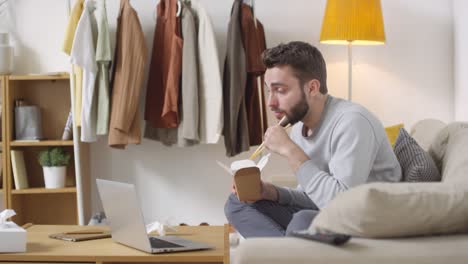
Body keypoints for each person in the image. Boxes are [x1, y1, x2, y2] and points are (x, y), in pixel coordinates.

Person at [224, 41, 402, 238]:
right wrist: (271, 192)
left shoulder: (353, 122)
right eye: (269, 91)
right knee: (237, 203)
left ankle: (287, 251)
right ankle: (291, 251)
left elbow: (341, 204)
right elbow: (313, 197)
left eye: (280, 90)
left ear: (312, 88)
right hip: (329, 214)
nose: (270, 103)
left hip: (367, 221)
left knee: (302, 221)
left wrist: (291, 151)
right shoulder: (299, 127)